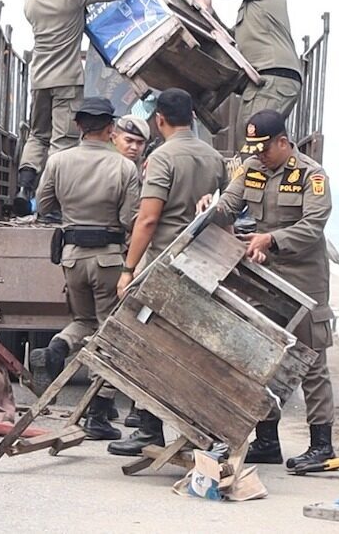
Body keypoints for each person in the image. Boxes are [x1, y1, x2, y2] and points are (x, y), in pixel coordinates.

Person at [207, 109, 336, 470]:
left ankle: (322, 445)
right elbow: (229, 206)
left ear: (283, 142)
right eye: (255, 150)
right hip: (264, 276)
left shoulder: (311, 175)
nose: (259, 156)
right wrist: (211, 208)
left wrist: (271, 239)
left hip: (305, 278)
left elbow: (313, 226)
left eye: (265, 149)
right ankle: (266, 441)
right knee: (261, 357)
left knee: (312, 360)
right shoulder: (251, 168)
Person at [108, 88, 227, 456]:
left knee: (149, 343)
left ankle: (148, 429)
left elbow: (148, 219)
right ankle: (196, 430)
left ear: (159, 120)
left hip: (165, 266)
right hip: (204, 264)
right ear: (192, 117)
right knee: (192, 350)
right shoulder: (214, 158)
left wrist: (128, 269)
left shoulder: (162, 157)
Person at [29, 97, 140, 441]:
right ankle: (97, 412)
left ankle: (57, 348)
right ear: (111, 128)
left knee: (83, 320)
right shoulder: (125, 167)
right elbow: (129, 218)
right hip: (109, 259)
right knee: (109, 332)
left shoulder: (58, 161)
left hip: (72, 257)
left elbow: (43, 204)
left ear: (78, 126)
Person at [15, 0, 134, 215]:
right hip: (67, 81)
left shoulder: (30, 2)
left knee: (37, 135)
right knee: (62, 143)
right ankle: (50, 204)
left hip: (39, 80)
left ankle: (24, 187)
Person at [185, 0, 302, 130]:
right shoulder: (256, 13)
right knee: (263, 138)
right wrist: (210, 12)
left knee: (250, 136)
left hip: (272, 77)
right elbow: (229, 38)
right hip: (274, 79)